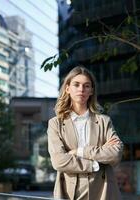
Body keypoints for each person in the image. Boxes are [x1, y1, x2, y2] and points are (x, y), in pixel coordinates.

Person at [47, 66, 123, 200]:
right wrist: (94, 164)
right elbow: (59, 161)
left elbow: (115, 153)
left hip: (102, 190)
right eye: (76, 85)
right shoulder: (55, 124)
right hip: (69, 192)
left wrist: (79, 152)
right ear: (67, 89)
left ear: (91, 91)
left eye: (86, 86)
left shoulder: (104, 121)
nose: (81, 89)